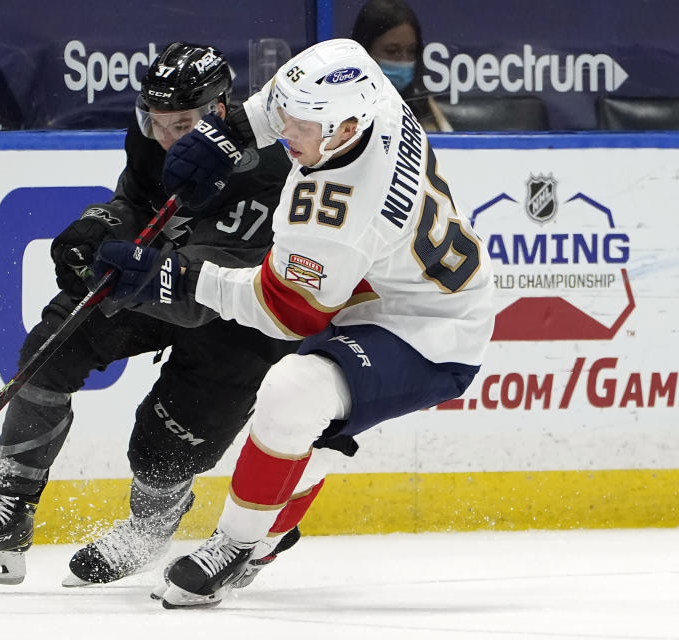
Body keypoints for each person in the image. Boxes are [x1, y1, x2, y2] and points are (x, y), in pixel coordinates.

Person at [93, 38, 495, 608]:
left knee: (293, 390)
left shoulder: (336, 210)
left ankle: (236, 545)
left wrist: (177, 279)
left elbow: (284, 312)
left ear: (345, 130)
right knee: (307, 426)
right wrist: (228, 132)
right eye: (287, 117)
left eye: (301, 129)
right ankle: (270, 536)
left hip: (430, 329)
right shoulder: (359, 79)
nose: (286, 136)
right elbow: (280, 104)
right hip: (377, 286)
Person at [0, 42, 298, 587]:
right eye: (155, 121)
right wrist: (100, 225)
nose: (166, 136)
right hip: (161, 276)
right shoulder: (152, 138)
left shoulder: (269, 169)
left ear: (221, 111)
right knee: (53, 345)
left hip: (243, 315)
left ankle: (152, 527)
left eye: (182, 123)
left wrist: (135, 264)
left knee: (159, 444)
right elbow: (137, 204)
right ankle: (10, 509)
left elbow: (203, 295)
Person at [351, 0, 452, 132]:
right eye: (392, 51)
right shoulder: (346, 112)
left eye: (411, 51)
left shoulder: (425, 107)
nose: (404, 60)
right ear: (365, 51)